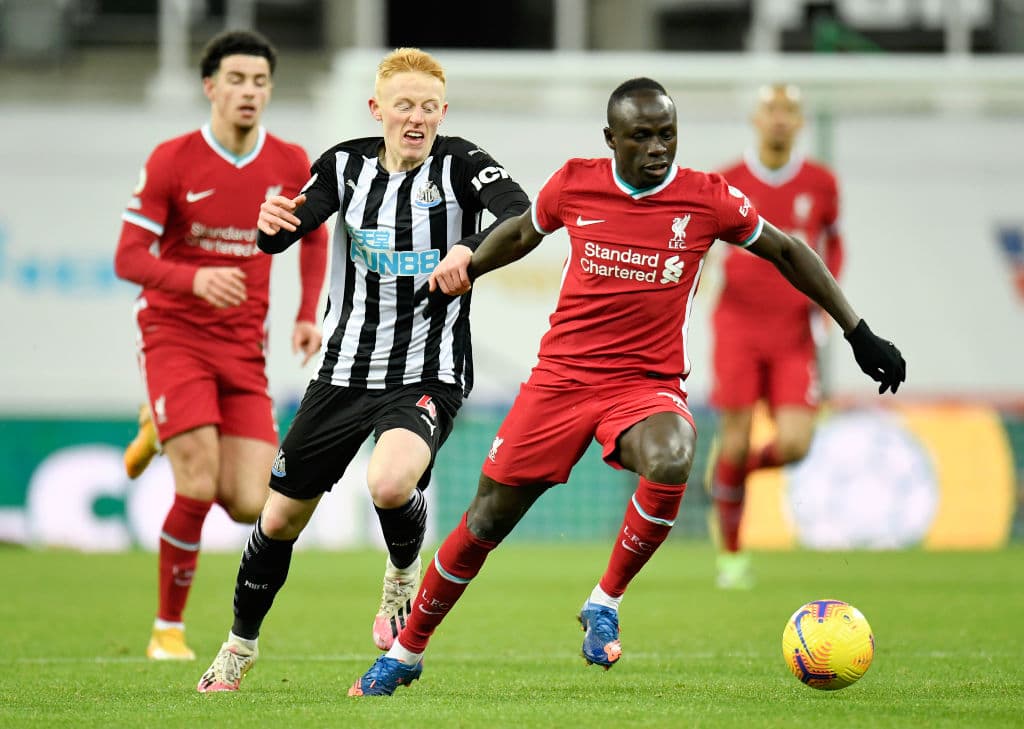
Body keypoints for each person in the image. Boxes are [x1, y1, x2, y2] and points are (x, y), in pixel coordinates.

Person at [348, 77, 905, 696]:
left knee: (672, 456)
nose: (657, 148)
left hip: (645, 385)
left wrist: (857, 331)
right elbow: (523, 233)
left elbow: (788, 250)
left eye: (667, 134)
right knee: (485, 522)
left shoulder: (707, 198)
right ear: (611, 139)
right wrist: (468, 260)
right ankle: (406, 651)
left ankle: (605, 600)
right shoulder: (575, 182)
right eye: (641, 137)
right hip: (559, 381)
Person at [195, 47, 531, 693]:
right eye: (403, 104)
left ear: (443, 112)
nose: (417, 117)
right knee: (278, 522)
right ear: (377, 108)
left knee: (389, 480)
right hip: (343, 372)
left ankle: (402, 574)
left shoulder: (461, 163)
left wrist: (468, 248)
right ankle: (238, 647)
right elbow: (289, 228)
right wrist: (269, 224)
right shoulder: (345, 165)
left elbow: (519, 209)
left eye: (429, 107)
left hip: (428, 370)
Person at [113, 29, 328, 661]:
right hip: (174, 334)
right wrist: (194, 277)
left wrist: (306, 312)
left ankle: (158, 424)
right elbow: (128, 255)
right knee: (198, 483)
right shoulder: (174, 159)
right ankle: (167, 630)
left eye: (259, 82)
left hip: (243, 349)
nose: (248, 92)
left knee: (250, 503)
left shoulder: (289, 161)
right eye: (236, 80)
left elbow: (312, 236)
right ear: (210, 87)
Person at [707, 83, 844, 589]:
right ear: (755, 119)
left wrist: (826, 306)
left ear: (801, 121)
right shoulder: (726, 180)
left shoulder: (821, 183)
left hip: (793, 332)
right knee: (736, 440)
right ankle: (733, 558)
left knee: (794, 443)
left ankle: (729, 478)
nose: (780, 119)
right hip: (739, 326)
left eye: (790, 111)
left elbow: (835, 244)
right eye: (771, 110)